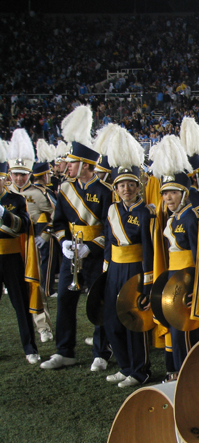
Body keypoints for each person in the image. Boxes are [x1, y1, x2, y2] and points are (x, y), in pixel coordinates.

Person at [42, 106, 114, 371]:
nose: (66, 166)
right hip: (70, 254)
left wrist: (91, 247)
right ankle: (64, 350)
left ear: (84, 164)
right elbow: (58, 222)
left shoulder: (105, 191)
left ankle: (101, 352)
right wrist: (63, 242)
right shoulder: (64, 189)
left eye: (71, 162)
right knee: (64, 299)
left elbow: (110, 228)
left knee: (98, 302)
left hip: (94, 255)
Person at [150, 135, 199, 374]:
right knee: (176, 332)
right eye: (164, 193)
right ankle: (178, 373)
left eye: (172, 193)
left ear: (184, 193)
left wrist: (196, 289)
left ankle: (190, 377)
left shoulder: (192, 218)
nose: (167, 198)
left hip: (186, 282)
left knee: (186, 331)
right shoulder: (175, 216)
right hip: (174, 279)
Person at [97, 125, 153, 388]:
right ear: (116, 187)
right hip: (114, 270)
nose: (126, 189)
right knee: (111, 319)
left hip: (135, 269)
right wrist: (106, 270)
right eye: (122, 185)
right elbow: (108, 242)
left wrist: (147, 280)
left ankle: (140, 371)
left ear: (138, 185)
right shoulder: (111, 210)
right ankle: (124, 366)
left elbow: (150, 248)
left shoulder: (146, 212)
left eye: (131, 184)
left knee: (133, 319)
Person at [1, 130, 43, 365]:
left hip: (10, 256)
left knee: (21, 305)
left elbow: (22, 225)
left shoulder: (15, 200)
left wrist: (3, 215)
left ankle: (30, 347)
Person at [8, 137, 55, 343]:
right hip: (9, 246)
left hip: (31, 245)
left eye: (23, 175)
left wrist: (44, 235)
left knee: (34, 286)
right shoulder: (5, 193)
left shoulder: (39, 193)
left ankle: (43, 326)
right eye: (15, 175)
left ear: (30, 174)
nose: (19, 179)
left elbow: (57, 216)